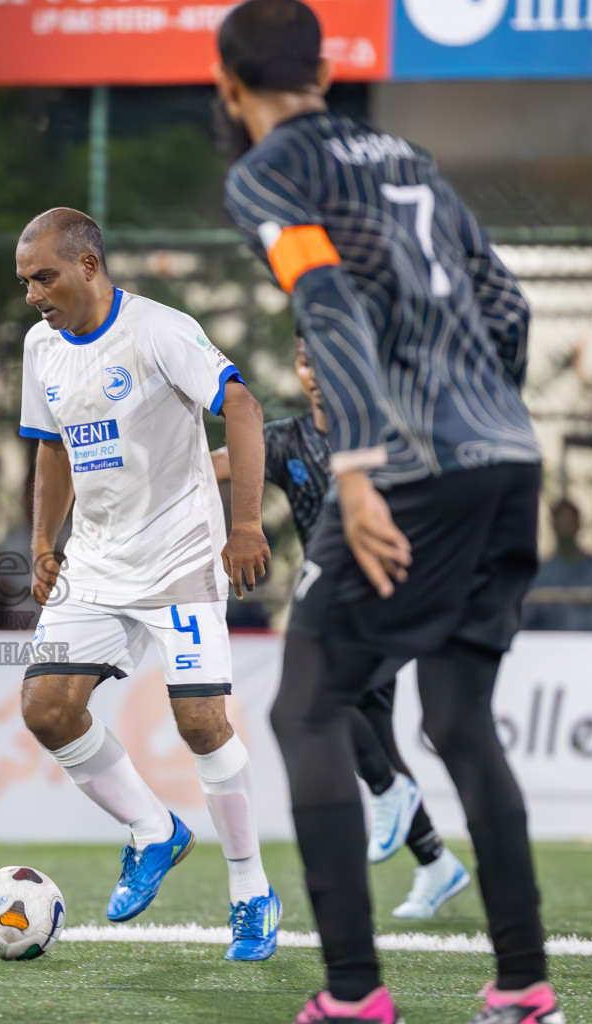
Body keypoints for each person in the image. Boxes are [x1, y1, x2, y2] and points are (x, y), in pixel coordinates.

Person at [216, 3, 558, 1022]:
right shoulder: (408, 157)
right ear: (321, 72)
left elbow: (323, 304)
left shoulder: (269, 171)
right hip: (506, 453)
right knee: (457, 717)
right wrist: (487, 419)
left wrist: (359, 470)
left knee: (306, 706)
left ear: (231, 84)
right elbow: (507, 304)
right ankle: (524, 984)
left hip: (408, 467)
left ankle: (356, 994)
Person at [17, 207, 283, 961]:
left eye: (45, 276)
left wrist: (246, 524)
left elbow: (243, 405)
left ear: (88, 267)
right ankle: (153, 829)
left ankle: (251, 891)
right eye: (26, 281)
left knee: (201, 724)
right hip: (97, 562)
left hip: (181, 557)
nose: (33, 293)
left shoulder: (160, 329)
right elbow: (51, 450)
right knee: (46, 708)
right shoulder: (41, 348)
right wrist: (44, 539)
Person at [212, 335, 470, 920]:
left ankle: (390, 794)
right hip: (335, 607)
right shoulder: (286, 439)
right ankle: (434, 861)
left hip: (388, 597)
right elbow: (216, 466)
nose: (315, 371)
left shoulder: (388, 435)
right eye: (305, 358)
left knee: (323, 702)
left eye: (327, 357)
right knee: (367, 735)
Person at [521, 499, 592, 632]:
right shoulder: (542, 574)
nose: (565, 526)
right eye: (561, 521)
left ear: (578, 524)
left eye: (569, 521)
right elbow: (528, 619)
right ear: (552, 525)